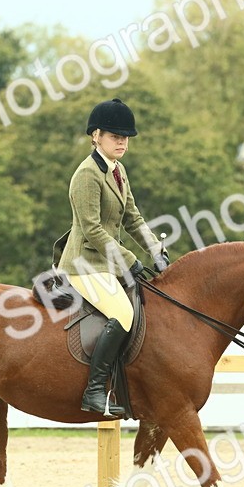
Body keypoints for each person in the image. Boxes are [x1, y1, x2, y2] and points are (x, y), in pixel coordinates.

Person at [57, 98, 168, 415]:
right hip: (84, 265)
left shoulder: (118, 170)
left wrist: (155, 250)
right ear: (96, 136)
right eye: (114, 135)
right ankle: (93, 392)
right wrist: (129, 259)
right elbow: (92, 229)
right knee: (123, 313)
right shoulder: (87, 175)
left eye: (125, 136)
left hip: (107, 263)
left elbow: (133, 217)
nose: (122, 141)